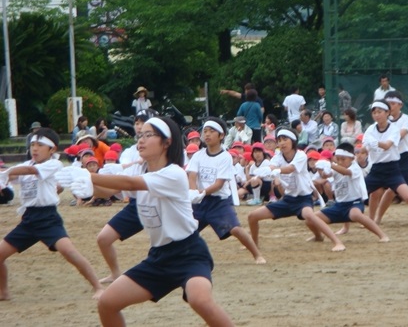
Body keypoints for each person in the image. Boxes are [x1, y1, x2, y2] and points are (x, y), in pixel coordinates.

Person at [59, 116, 234, 326]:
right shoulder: (140, 170)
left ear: (167, 142)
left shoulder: (175, 173)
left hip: (189, 254)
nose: (140, 140)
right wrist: (86, 188)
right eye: (140, 135)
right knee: (107, 303)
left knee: (200, 300)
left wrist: (89, 176)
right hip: (159, 257)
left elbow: (130, 183)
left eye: (148, 135)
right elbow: (112, 190)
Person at [0, 128, 104, 300]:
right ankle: (3, 292)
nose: (35, 148)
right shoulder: (25, 166)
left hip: (48, 219)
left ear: (52, 149)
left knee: (70, 252)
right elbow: (10, 177)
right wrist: (4, 178)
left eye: (40, 145)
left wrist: (7, 172)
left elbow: (28, 172)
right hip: (28, 220)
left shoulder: (53, 164)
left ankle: (98, 287)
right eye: (33, 144)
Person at [247, 128, 346, 252]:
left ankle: (336, 241)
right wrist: (268, 169)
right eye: (279, 140)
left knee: (310, 216)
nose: (282, 143)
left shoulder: (301, 155)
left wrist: (277, 170)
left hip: (303, 199)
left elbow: (291, 168)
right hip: (288, 199)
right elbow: (273, 165)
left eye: (285, 140)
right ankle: (254, 245)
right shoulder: (278, 156)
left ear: (293, 141)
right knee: (252, 216)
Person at [187, 117, 266, 264]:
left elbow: (219, 183)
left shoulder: (225, 157)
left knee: (235, 229)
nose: (207, 134)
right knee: (184, 230)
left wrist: (202, 192)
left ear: (221, 135)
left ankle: (257, 254)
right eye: (205, 131)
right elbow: (192, 175)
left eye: (212, 131)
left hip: (219, 202)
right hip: (199, 201)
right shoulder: (198, 155)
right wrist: (193, 192)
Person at [362, 100, 408, 232]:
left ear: (387, 113)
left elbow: (387, 146)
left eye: (380, 112)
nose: (376, 115)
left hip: (392, 170)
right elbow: (365, 147)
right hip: (376, 170)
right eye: (374, 113)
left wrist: (374, 142)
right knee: (357, 193)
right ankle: (367, 222)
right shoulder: (370, 129)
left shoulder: (394, 129)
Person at [93, 109, 149, 284]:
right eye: (137, 123)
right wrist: (90, 187)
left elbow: (130, 182)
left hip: (158, 204)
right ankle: (115, 272)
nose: (139, 127)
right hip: (136, 204)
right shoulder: (129, 152)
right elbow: (122, 185)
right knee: (103, 239)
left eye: (143, 123)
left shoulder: (161, 151)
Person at [311, 143, 390, 243]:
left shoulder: (355, 168)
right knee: (312, 218)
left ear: (352, 158)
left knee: (355, 214)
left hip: (355, 203)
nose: (340, 162)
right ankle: (318, 236)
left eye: (343, 159)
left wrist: (330, 165)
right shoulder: (336, 167)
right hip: (339, 205)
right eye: (338, 159)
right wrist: (322, 169)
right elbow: (326, 175)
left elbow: (346, 172)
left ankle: (382, 235)